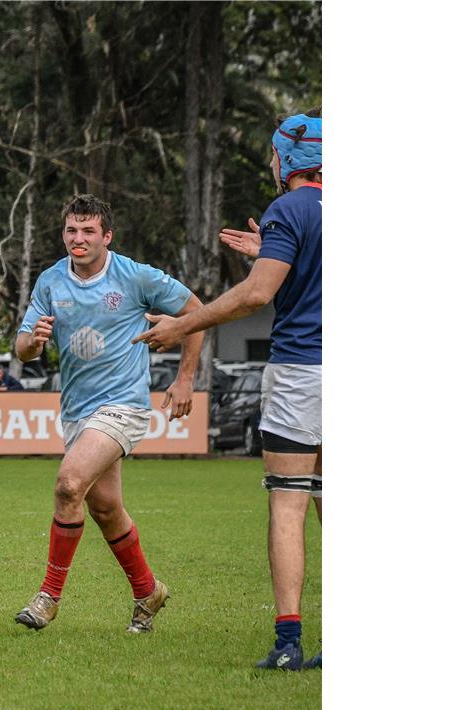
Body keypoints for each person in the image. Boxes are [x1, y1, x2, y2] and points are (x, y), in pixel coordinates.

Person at [135, 110, 322, 671]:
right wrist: (273, 248)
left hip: (302, 373)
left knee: (289, 503)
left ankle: (288, 642)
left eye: (272, 153)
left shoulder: (288, 208)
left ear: (288, 158)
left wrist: (181, 325)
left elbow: (255, 296)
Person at [13, 194, 204, 635]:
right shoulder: (50, 282)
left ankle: (48, 597)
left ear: (107, 236)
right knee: (105, 507)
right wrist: (34, 340)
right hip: (77, 412)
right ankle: (148, 592)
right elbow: (22, 349)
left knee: (69, 484)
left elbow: (195, 312)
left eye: (88, 232)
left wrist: (185, 378)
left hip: (124, 406)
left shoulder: (135, 276)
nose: (78, 239)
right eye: (71, 231)